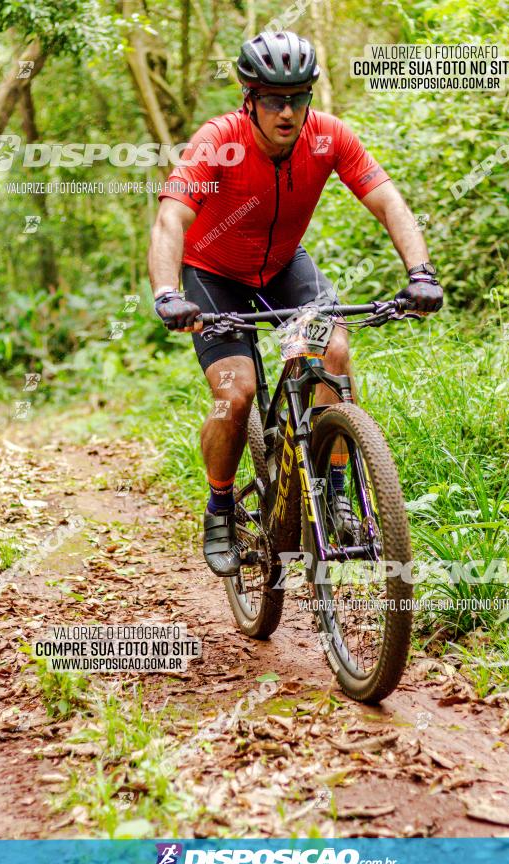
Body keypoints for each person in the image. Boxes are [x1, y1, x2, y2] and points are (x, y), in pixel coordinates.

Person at [148, 30, 443, 577]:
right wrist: (168, 293)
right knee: (234, 396)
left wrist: (420, 273)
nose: (287, 112)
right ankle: (219, 506)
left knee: (333, 353)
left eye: (298, 98)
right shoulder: (219, 140)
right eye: (273, 100)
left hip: (284, 267)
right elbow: (171, 218)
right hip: (214, 273)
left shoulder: (330, 137)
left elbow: (389, 202)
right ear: (249, 99)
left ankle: (334, 493)